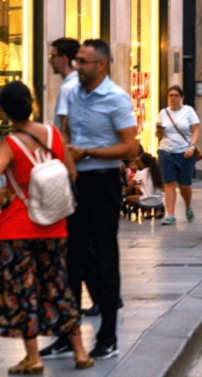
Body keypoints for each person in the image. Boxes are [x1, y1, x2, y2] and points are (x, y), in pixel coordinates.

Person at [0, 81, 93, 373]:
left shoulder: (10, 144)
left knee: (21, 290)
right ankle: (79, 352)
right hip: (55, 227)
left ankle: (33, 357)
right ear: (33, 104)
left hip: (17, 228)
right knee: (59, 287)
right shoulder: (53, 134)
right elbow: (72, 174)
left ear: (4, 111)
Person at [51, 39, 135, 361]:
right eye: (77, 61)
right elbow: (66, 132)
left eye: (83, 62)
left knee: (104, 258)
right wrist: (70, 163)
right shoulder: (72, 93)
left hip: (104, 183)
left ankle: (108, 336)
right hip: (76, 182)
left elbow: (130, 147)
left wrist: (88, 152)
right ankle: (66, 334)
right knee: (70, 259)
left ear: (101, 65)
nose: (77, 66)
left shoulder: (116, 99)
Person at [154, 85, 199, 224]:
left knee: (184, 184)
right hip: (166, 151)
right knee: (169, 183)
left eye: (175, 96)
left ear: (181, 97)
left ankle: (188, 206)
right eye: (170, 96)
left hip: (184, 152)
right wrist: (159, 132)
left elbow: (196, 130)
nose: (173, 98)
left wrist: (192, 147)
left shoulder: (189, 111)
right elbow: (157, 134)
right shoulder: (163, 113)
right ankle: (170, 215)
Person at [47, 39, 80, 129]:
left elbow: (64, 129)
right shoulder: (82, 83)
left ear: (64, 59)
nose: (49, 60)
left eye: (53, 56)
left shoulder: (67, 89)